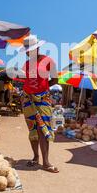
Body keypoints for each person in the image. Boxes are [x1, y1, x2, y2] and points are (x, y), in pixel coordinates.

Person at [20, 35, 59, 173]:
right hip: (27, 99)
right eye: (26, 50)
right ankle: (36, 157)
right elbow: (27, 81)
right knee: (32, 129)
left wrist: (42, 88)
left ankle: (46, 162)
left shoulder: (48, 61)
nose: (28, 52)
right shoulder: (26, 64)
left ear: (37, 48)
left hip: (43, 99)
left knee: (44, 129)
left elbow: (55, 79)